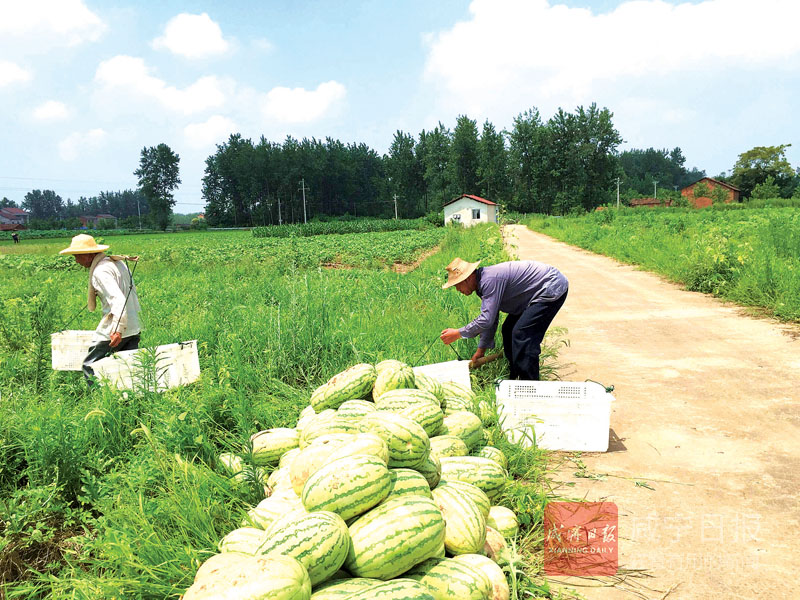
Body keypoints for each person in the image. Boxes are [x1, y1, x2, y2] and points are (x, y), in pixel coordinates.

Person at [440, 257, 568, 380]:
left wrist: (458, 333)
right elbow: (491, 318)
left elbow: (486, 319)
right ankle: (515, 377)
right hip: (532, 294)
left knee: (522, 334)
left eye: (457, 285)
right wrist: (481, 350)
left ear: (466, 279)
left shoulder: (489, 280)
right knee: (508, 329)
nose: (458, 290)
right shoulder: (482, 284)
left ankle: (530, 386)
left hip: (550, 286)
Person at [58, 234, 141, 385]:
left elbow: (118, 299)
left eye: (77, 256)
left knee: (90, 366)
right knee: (126, 368)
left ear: (89, 255)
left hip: (117, 327)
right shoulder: (116, 263)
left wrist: (117, 329)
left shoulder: (101, 271)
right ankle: (126, 401)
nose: (76, 260)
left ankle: (98, 399)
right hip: (134, 325)